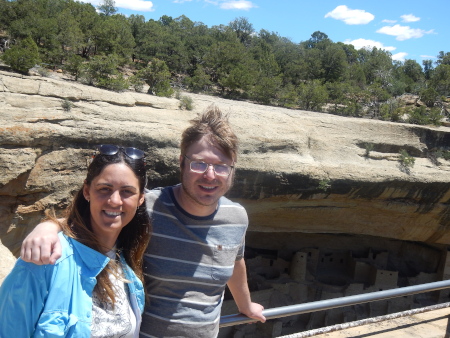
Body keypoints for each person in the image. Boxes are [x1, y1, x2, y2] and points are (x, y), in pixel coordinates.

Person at [21, 106, 266, 337]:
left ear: (232, 170)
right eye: (199, 163)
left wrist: (246, 305)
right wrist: (48, 226)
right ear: (182, 162)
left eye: (221, 166)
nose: (210, 175)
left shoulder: (236, 217)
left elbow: (235, 262)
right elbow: (97, 215)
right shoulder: (148, 206)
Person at [1, 145, 151, 337]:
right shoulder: (47, 258)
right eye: (104, 189)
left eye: (127, 192)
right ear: (87, 191)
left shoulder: (129, 264)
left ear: (140, 199)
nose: (114, 201)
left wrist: (51, 224)